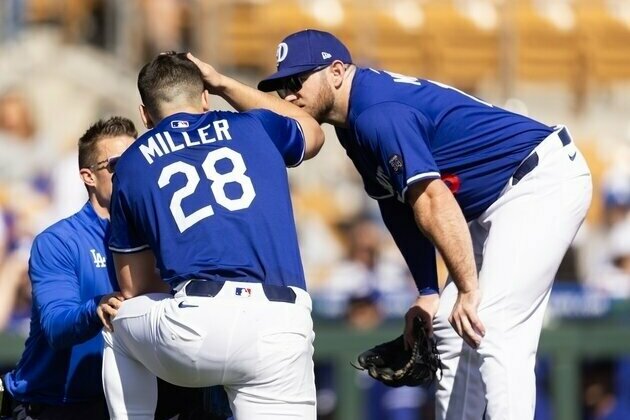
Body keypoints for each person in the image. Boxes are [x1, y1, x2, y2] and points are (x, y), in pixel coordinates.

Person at [257, 29, 593, 419]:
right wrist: (429, 291)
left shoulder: (376, 113)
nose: (290, 95)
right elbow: (397, 205)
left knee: (492, 324)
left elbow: (433, 200)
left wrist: (468, 287)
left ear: (335, 71)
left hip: (541, 181)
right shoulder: (351, 124)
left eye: (297, 80)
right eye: (282, 87)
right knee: (450, 327)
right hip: (499, 201)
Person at [101, 52, 324, 419]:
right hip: (280, 325)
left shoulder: (133, 161)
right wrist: (223, 82)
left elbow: (134, 287)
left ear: (144, 114)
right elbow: (312, 132)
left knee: (119, 319)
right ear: (205, 97)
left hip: (198, 327)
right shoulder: (256, 127)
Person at [0, 117, 135, 420]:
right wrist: (97, 308)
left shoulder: (155, 235)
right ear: (88, 176)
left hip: (125, 403)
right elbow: (56, 326)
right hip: (53, 405)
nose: (130, 172)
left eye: (136, 160)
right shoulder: (58, 241)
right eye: (115, 165)